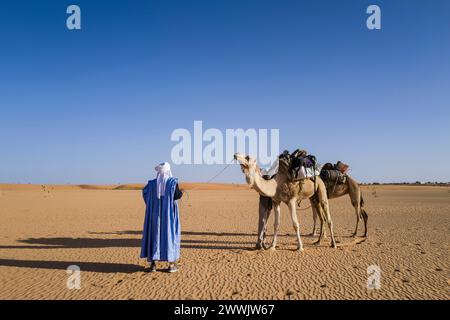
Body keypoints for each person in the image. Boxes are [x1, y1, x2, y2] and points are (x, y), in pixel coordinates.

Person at [140, 162, 183, 273]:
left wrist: (153, 204)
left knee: (155, 236)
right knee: (169, 235)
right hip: (168, 216)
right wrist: (181, 193)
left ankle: (153, 264)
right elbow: (177, 195)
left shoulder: (151, 184)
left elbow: (145, 195)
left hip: (154, 215)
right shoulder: (172, 183)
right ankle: (171, 265)